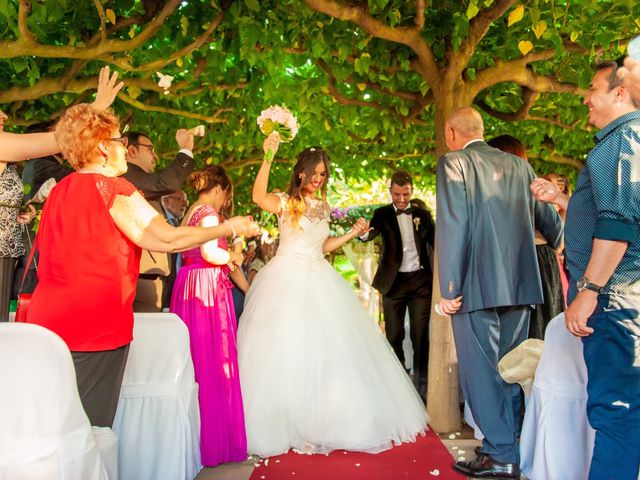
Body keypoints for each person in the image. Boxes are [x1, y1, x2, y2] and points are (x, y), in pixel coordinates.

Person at [25, 102, 257, 428]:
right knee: (89, 429)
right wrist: (230, 228)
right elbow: (167, 240)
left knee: (55, 426)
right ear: (104, 147)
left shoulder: (59, 189)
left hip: (48, 320)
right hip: (94, 327)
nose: (124, 148)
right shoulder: (114, 189)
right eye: (120, 140)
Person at [237, 134, 428, 458]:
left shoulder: (324, 206)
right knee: (283, 349)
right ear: (300, 172)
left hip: (319, 277)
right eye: (314, 172)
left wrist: (350, 234)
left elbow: (323, 246)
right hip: (284, 279)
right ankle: (283, 420)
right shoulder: (285, 201)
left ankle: (321, 421)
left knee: (323, 353)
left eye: (323, 174)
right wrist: (268, 155)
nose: (318, 179)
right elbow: (257, 196)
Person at [436, 107, 563, 479]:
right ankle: (509, 448)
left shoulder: (454, 163)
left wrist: (449, 288)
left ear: (450, 132)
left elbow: (454, 224)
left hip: (474, 286)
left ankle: (500, 454)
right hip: (521, 284)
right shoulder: (520, 167)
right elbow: (550, 221)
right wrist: (558, 241)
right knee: (509, 369)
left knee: (482, 374)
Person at [531, 61, 640, 480]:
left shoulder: (622, 139)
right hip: (619, 297)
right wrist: (563, 200)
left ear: (619, 92)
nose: (585, 98)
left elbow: (618, 226)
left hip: (613, 299)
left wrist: (589, 291)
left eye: (592, 88)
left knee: (615, 413)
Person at [170, 166, 246, 467]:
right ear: (220, 189)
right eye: (227, 195)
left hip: (187, 284)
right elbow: (212, 253)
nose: (226, 202)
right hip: (206, 290)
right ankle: (216, 444)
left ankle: (197, 442)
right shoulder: (211, 216)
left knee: (196, 361)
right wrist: (234, 256)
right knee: (215, 361)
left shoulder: (191, 211)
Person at [359, 171, 435, 400]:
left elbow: (435, 241)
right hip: (393, 283)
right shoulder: (382, 213)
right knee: (394, 335)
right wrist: (362, 234)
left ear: (412, 191)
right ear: (390, 191)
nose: (401, 199)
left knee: (420, 337)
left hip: (420, 281)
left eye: (406, 194)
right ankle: (400, 382)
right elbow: (369, 235)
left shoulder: (422, 214)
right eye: (397, 194)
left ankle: (421, 389)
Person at [487, 134, 565, 340]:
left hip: (499, 267)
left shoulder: (483, 190)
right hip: (536, 261)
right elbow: (554, 228)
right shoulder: (528, 182)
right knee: (540, 333)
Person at [123, 129, 196, 312]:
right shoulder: (128, 175)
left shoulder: (138, 178)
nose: (155, 156)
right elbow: (167, 182)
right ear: (132, 150)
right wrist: (186, 149)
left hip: (148, 279)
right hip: (138, 280)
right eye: (150, 149)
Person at [160, 190, 188, 309]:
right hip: (158, 286)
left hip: (174, 290)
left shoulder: (181, 225)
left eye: (186, 201)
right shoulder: (158, 220)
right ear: (166, 201)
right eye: (180, 199)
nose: (185, 204)